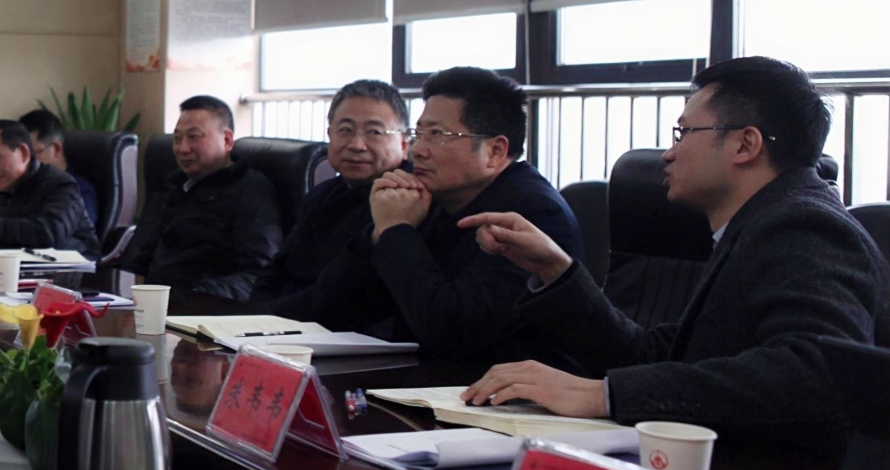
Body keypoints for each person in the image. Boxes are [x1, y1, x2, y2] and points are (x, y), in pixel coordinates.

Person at [459, 57, 890, 444]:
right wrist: (556, 270)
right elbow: (653, 357)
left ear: (745, 145)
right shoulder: (757, 224)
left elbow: (818, 375)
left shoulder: (802, 226)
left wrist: (603, 395)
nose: (667, 154)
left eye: (683, 133)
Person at [283, 66, 583, 364]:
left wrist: (397, 229)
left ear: (495, 151)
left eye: (437, 135)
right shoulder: (434, 197)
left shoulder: (534, 213)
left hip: (501, 387)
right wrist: (377, 234)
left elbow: (451, 332)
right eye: (420, 134)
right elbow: (333, 307)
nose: (418, 151)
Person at [257, 80, 410, 308]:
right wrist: (250, 314)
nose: (357, 145)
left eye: (374, 132)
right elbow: (277, 269)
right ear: (330, 134)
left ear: (404, 144)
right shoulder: (322, 193)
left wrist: (268, 315)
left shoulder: (404, 200)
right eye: (345, 130)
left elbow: (349, 296)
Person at [119, 95, 282, 305]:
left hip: (202, 309)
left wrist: (196, 295)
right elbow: (139, 256)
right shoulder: (173, 186)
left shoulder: (250, 190)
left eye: (193, 137)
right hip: (151, 304)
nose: (182, 148)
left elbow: (260, 275)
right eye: (177, 139)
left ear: (227, 140)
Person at [0, 119, 100, 254]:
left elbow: (49, 233)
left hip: (78, 274)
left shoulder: (61, 185)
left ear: (23, 153)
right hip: (21, 272)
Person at [20, 107, 99, 230]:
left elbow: (75, 235)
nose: (26, 164)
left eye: (33, 156)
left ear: (56, 149)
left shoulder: (79, 190)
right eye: (22, 157)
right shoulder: (21, 188)